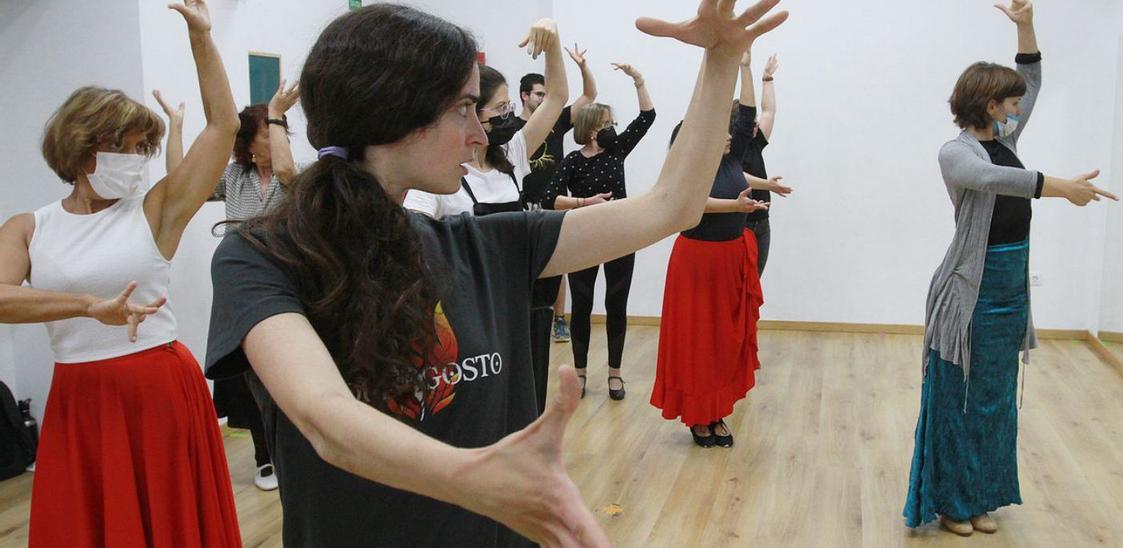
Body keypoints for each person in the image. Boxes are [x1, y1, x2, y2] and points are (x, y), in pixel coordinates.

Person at [203, 1, 787, 546]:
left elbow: (672, 207)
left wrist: (720, 62)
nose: (481, 133)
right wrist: (478, 477)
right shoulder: (262, 256)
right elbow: (325, 416)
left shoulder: (490, 244)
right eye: (463, 108)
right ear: (393, 111)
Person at [0, 1, 242, 545]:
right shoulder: (28, 227)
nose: (135, 160)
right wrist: (87, 306)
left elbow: (223, 126)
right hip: (81, 396)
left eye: (142, 148)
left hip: (158, 386)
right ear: (80, 149)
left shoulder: (156, 210)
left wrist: (202, 39)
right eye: (122, 147)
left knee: (170, 518)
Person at [903, 0, 1118, 536]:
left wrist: (1025, 25)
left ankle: (982, 497)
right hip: (967, 293)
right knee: (960, 394)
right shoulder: (956, 152)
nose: (1018, 107)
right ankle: (951, 501)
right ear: (989, 104)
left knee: (997, 399)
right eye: (1009, 102)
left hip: (1009, 289)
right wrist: (1058, 186)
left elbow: (1032, 80)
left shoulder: (1007, 140)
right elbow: (995, 181)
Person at [402, 19, 569, 412]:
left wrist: (553, 42)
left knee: (527, 397)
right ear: (470, 113)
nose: (508, 116)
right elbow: (411, 233)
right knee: (483, 405)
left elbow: (558, 96)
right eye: (500, 109)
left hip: (522, 298)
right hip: (469, 313)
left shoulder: (512, 156)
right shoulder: (440, 180)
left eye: (510, 108)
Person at [159, 79, 301, 492]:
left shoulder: (297, 174)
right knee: (246, 375)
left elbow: (289, 171)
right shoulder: (235, 177)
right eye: (267, 135)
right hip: (239, 285)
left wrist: (276, 110)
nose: (275, 142)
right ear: (248, 144)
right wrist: (176, 126)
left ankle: (293, 448)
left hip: (284, 280)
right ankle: (264, 457)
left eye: (279, 133)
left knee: (284, 369)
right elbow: (179, 179)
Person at [651, 53, 770, 448]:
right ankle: (697, 417)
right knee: (698, 342)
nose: (728, 134)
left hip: (730, 259)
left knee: (723, 341)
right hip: (697, 261)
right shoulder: (688, 152)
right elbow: (690, 202)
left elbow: (748, 114)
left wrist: (745, 68)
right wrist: (736, 207)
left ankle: (716, 412)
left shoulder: (733, 154)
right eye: (719, 128)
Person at [545, 61, 655, 400]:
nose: (613, 128)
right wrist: (584, 202)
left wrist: (638, 79)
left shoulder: (618, 150)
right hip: (583, 238)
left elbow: (646, 118)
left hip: (620, 235)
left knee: (616, 304)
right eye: (607, 124)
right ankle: (579, 373)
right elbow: (550, 198)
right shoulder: (573, 161)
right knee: (582, 304)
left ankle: (615, 375)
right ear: (592, 129)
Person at [518, 44, 598, 345]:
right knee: (524, 265)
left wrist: (582, 67)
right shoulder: (512, 130)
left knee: (557, 262)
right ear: (525, 95)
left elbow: (589, 95)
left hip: (554, 204)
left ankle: (558, 320)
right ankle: (523, 317)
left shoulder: (557, 121)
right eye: (539, 94)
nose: (544, 98)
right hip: (521, 206)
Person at [739, 51, 789, 276]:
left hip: (762, 223)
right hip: (740, 224)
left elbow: (770, 111)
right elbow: (738, 175)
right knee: (738, 283)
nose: (757, 123)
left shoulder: (755, 142)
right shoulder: (729, 151)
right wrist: (768, 185)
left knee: (754, 284)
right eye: (752, 121)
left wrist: (767, 79)